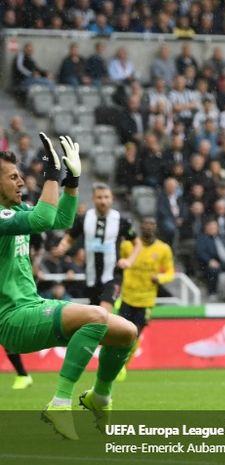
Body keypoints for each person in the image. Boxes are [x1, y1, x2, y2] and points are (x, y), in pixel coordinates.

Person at [0, 135, 137, 439]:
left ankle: (99, 398)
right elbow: (43, 217)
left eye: (21, 175)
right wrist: (52, 173)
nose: (21, 181)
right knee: (95, 317)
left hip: (32, 307)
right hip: (11, 320)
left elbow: (59, 218)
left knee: (127, 332)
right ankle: (60, 403)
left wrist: (72, 181)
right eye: (12, 176)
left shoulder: (15, 212)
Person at [56, 183, 141, 312]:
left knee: (103, 311)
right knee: (95, 316)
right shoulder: (83, 219)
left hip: (113, 275)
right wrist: (63, 246)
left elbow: (137, 243)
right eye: (99, 197)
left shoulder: (121, 220)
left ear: (112, 198)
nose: (103, 201)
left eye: (106, 197)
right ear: (93, 198)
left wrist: (129, 260)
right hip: (91, 276)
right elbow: (69, 238)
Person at [115, 217, 174, 381]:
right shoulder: (128, 246)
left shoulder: (163, 249)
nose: (148, 227)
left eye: (151, 225)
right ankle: (115, 363)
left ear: (155, 227)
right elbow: (119, 262)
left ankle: (123, 367)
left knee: (135, 336)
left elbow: (170, 272)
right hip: (127, 297)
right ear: (140, 227)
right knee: (120, 334)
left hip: (146, 300)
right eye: (145, 224)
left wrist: (160, 278)